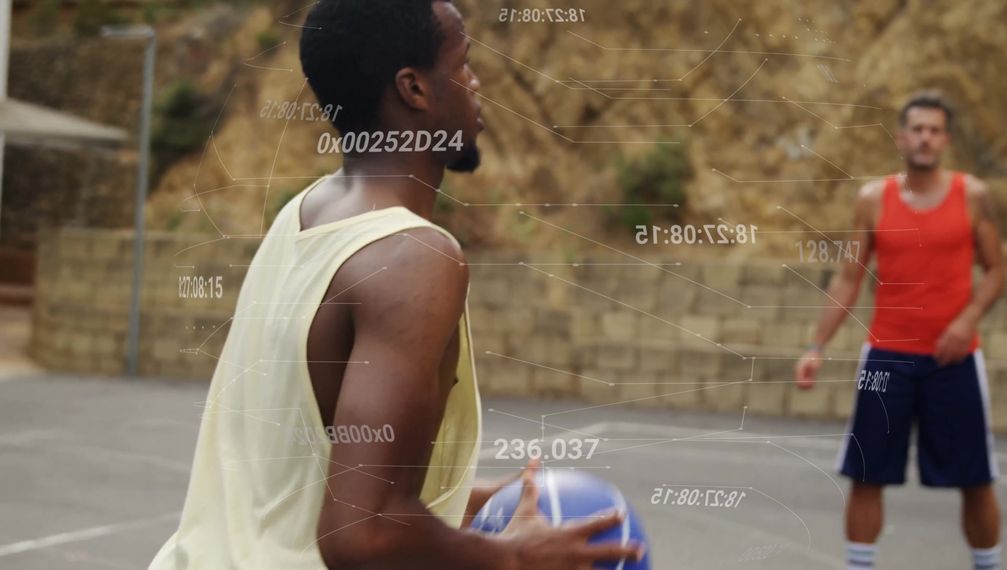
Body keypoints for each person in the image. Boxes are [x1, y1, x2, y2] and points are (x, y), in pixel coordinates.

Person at [149, 1, 644, 568]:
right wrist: (510, 557)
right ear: (414, 88)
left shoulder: (305, 214)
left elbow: (308, 487)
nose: (476, 83)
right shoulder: (411, 256)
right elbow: (362, 533)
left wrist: (489, 502)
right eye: (463, 65)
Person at [794, 91, 1007, 570]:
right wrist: (816, 345)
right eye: (917, 128)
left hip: (955, 359)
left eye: (934, 130)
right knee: (866, 474)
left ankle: (988, 565)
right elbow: (849, 276)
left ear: (945, 140)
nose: (925, 138)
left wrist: (966, 321)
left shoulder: (973, 195)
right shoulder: (872, 199)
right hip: (887, 357)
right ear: (901, 136)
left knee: (976, 479)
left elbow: (996, 271)